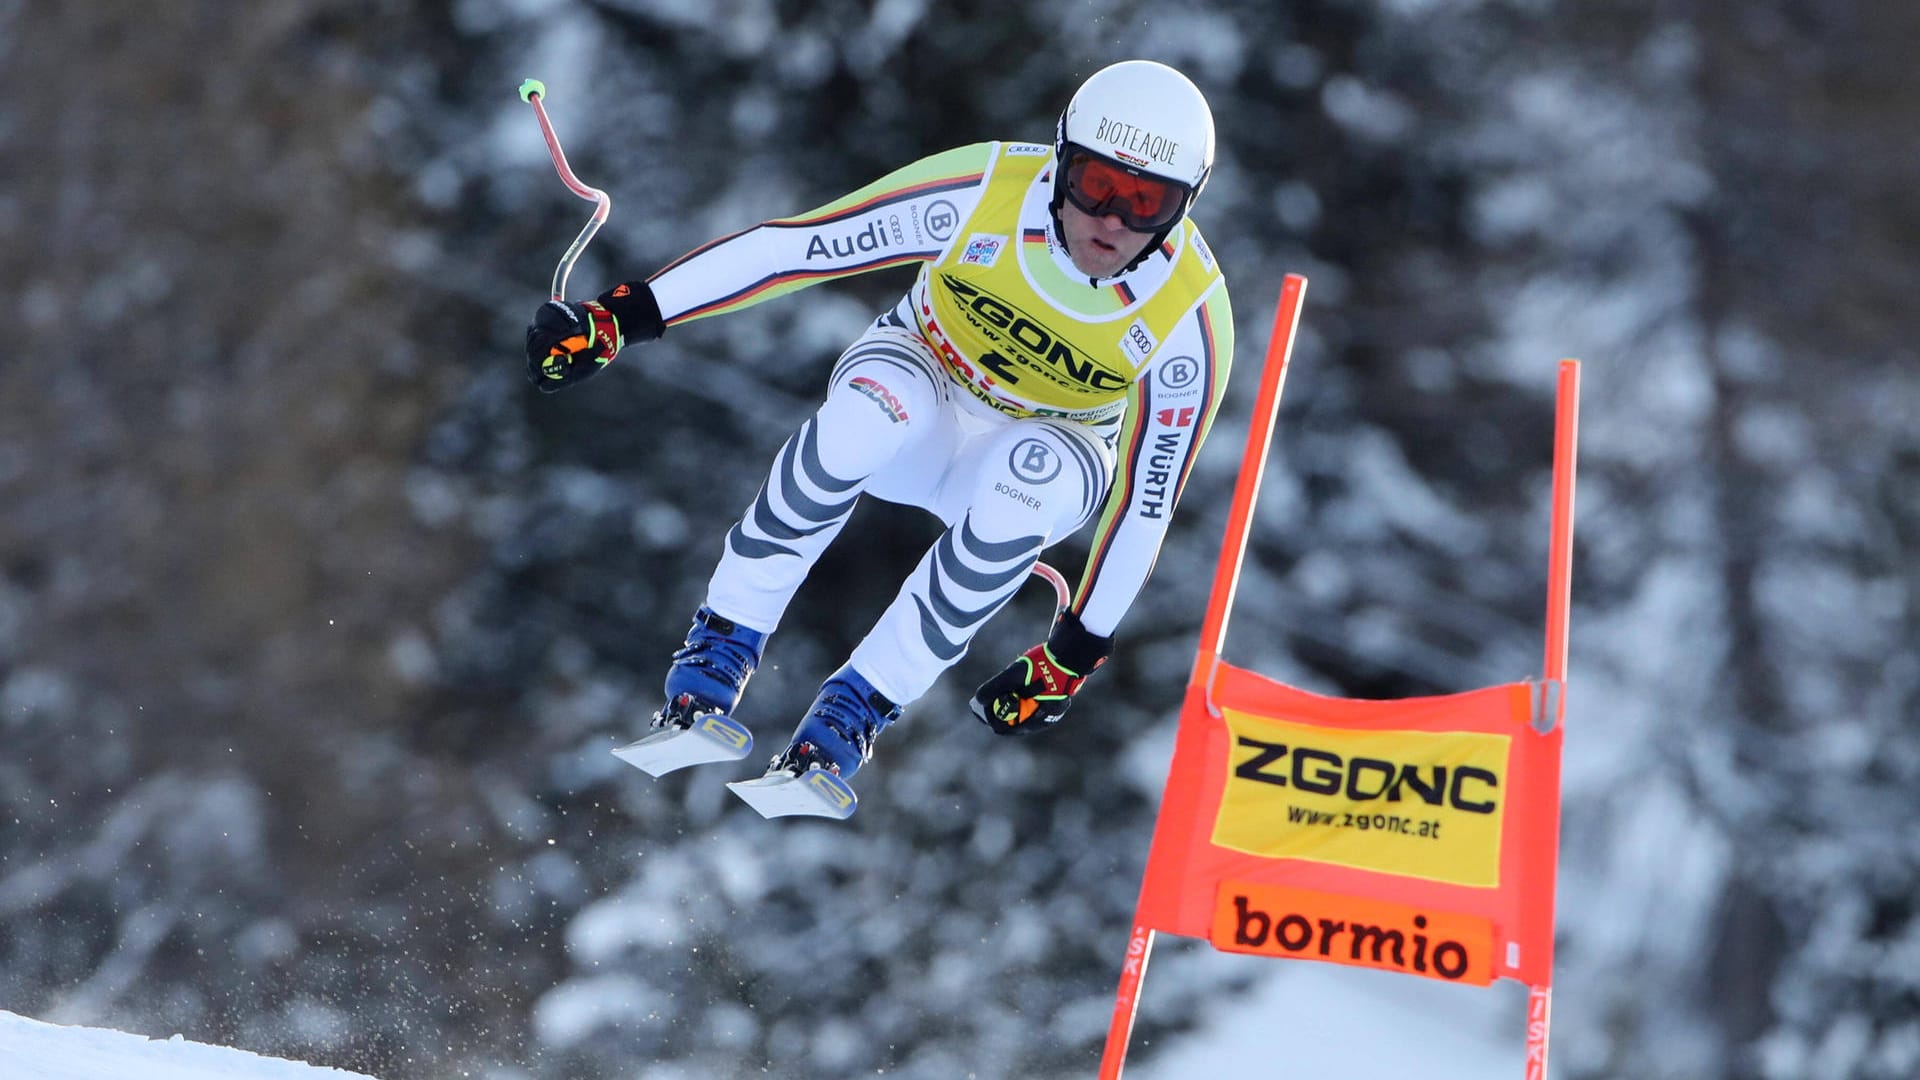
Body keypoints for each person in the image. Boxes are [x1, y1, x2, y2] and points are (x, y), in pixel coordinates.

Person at [524, 59, 1234, 817]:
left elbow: (1146, 501)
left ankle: (847, 720)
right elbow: (799, 247)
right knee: (865, 418)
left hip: (1050, 442)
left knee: (1019, 496)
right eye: (1096, 184)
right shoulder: (985, 192)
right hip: (922, 376)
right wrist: (620, 317)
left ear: (1183, 208)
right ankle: (715, 658)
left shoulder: (1188, 320)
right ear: (1061, 159)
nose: (1113, 222)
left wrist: (1075, 654)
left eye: (1146, 202)